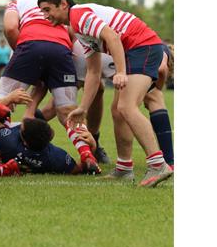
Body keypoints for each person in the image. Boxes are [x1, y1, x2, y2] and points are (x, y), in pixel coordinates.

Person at [38, 0, 173, 187]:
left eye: (47, 9)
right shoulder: (78, 28)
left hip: (142, 47)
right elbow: (93, 72)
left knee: (126, 107)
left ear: (63, 4)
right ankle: (124, 168)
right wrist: (83, 107)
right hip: (136, 50)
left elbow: (113, 37)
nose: (45, 16)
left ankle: (158, 164)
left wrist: (120, 72)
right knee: (118, 111)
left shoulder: (79, 15)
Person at [0, 0, 101, 174]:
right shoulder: (60, 10)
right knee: (69, 112)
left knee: (3, 105)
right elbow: (73, 35)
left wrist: (23, 55)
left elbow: (10, 28)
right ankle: (87, 155)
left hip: (29, 45)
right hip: (61, 50)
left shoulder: (16, 4)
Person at [41, 40, 175, 169]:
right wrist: (158, 86)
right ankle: (165, 161)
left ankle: (26, 127)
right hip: (102, 55)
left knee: (75, 99)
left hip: (85, 51)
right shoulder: (160, 49)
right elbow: (162, 69)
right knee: (152, 98)